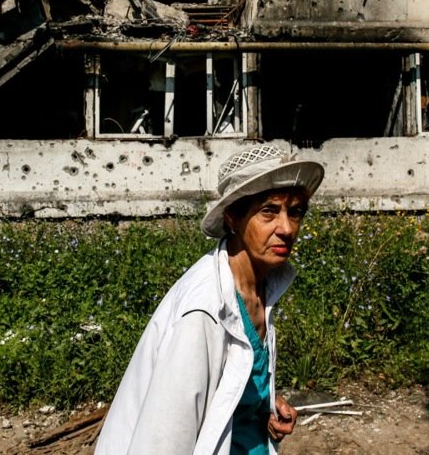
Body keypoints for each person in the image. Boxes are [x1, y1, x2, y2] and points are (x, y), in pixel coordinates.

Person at [95, 145, 326, 455]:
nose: (286, 228)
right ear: (233, 217)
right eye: (268, 211)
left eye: (294, 212)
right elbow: (164, 440)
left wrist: (264, 403)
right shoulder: (203, 310)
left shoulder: (261, 286)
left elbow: (230, 377)